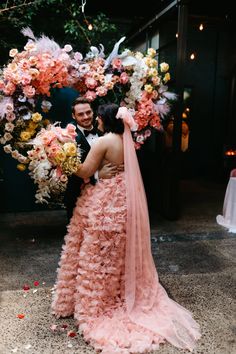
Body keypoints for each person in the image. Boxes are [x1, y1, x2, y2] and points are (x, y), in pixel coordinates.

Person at [52, 103, 201, 353]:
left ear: (105, 119)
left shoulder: (103, 142)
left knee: (99, 256)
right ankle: (121, 293)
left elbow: (86, 170)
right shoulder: (125, 140)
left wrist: (61, 159)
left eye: (98, 116)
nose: (95, 120)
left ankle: (100, 301)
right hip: (125, 201)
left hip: (107, 204)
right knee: (119, 255)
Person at [64, 96, 120, 220]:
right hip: (78, 194)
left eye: (88, 112)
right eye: (80, 114)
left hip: (106, 196)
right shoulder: (67, 137)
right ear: (73, 116)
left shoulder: (105, 129)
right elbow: (69, 169)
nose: (86, 117)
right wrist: (97, 174)